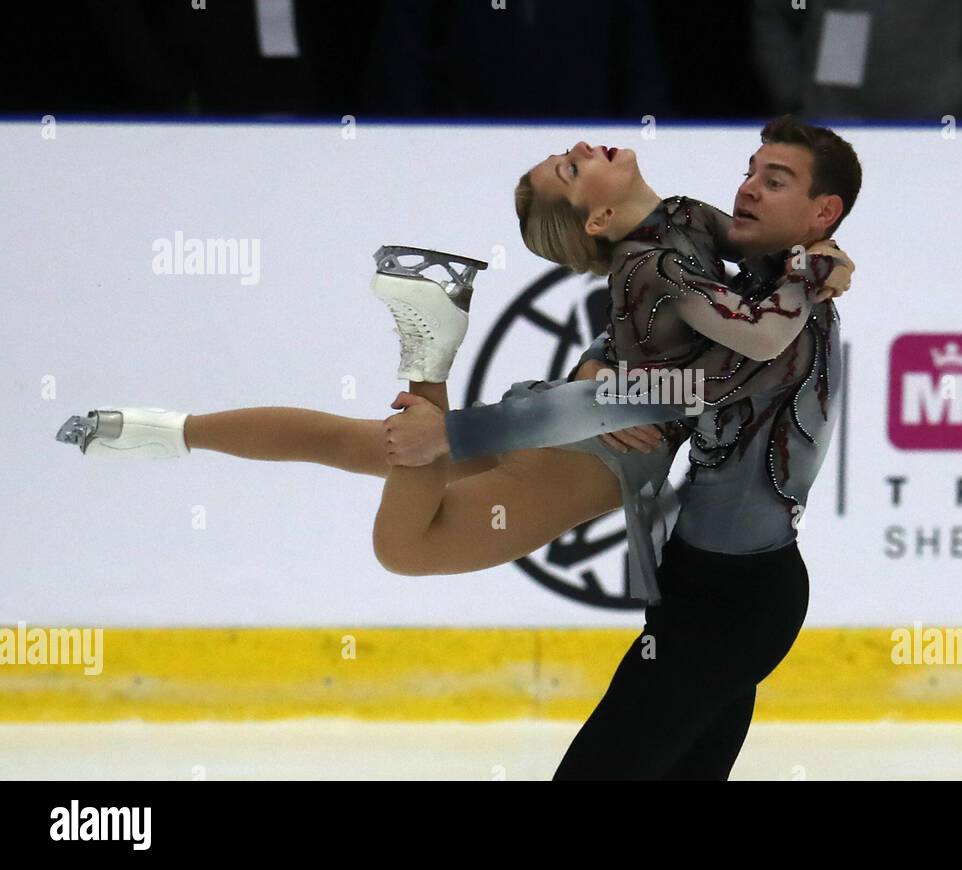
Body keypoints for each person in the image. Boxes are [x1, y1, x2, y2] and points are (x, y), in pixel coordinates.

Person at [57, 116, 862, 779]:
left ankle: (169, 431)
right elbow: (716, 345)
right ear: (595, 219)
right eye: (571, 169)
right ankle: (424, 360)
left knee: (364, 448)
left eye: (772, 177)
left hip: (662, 517)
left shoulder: (694, 238)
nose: (749, 187)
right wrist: (805, 270)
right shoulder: (692, 269)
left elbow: (713, 321)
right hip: (624, 480)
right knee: (405, 534)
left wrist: (808, 262)